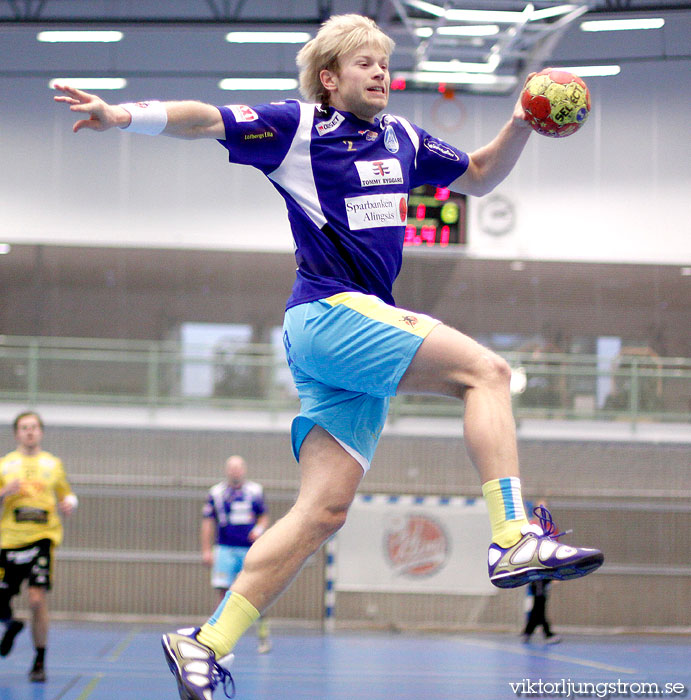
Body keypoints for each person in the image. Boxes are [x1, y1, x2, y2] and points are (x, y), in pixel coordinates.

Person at [54, 13, 603, 699]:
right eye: (364, 62)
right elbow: (203, 119)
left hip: (344, 340)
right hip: (329, 315)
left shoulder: (402, 137)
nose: (380, 71)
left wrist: (521, 120)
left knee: (321, 513)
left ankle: (205, 641)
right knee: (485, 373)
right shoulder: (297, 128)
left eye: (384, 61)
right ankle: (512, 533)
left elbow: (481, 176)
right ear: (329, 77)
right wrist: (122, 115)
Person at [0, 411, 78, 683]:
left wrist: (70, 503)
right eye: (24, 428)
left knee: (36, 599)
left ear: (41, 432)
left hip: (42, 539)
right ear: (16, 433)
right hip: (9, 541)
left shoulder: (53, 464)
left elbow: (67, 493)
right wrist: (3, 492)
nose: (29, 432)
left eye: (34, 427)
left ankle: (39, 660)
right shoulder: (5, 465)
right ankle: (10, 626)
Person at [201, 456, 271, 654]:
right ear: (226, 470)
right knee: (223, 593)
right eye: (231, 468)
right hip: (224, 548)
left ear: (244, 470)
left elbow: (263, 516)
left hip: (249, 550)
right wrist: (207, 550)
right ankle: (217, 639)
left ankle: (263, 637)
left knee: (259, 592)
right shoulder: (216, 493)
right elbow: (208, 522)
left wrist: (258, 529)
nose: (235, 472)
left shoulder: (255, 491)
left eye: (238, 468)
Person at [522, 501, 561, 645]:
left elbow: (556, 549)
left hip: (547, 570)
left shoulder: (551, 527)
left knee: (540, 602)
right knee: (539, 602)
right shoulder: (530, 526)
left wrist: (555, 572)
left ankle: (527, 632)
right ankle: (546, 633)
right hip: (535, 569)